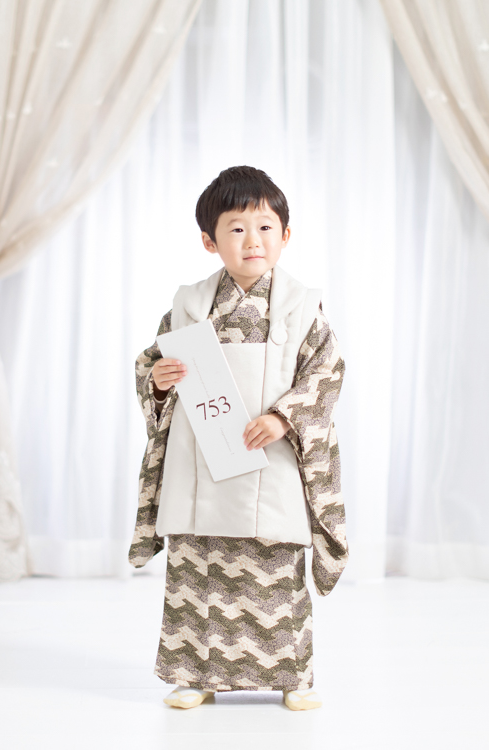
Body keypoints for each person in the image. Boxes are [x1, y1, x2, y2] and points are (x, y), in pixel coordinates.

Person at [128, 166, 348, 711]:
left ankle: (292, 676)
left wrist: (285, 417)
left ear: (285, 235)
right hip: (202, 459)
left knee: (273, 569)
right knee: (198, 569)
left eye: (265, 227)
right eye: (236, 228)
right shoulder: (189, 306)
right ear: (210, 241)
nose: (253, 240)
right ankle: (195, 673)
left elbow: (326, 371)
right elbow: (152, 362)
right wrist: (158, 380)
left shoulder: (301, 308)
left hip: (269, 457)